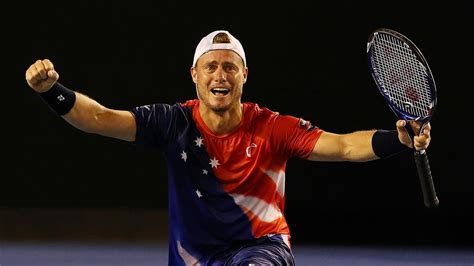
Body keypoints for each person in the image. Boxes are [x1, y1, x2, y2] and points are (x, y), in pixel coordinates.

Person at [25, 30, 431, 266]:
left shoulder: (272, 127)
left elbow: (342, 147)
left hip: (261, 248)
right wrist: (51, 92)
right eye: (211, 67)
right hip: (194, 256)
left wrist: (396, 139)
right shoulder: (172, 122)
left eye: (230, 66)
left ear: (244, 75)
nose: (220, 75)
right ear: (195, 75)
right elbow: (98, 119)